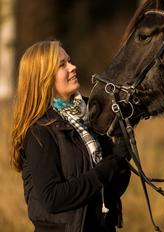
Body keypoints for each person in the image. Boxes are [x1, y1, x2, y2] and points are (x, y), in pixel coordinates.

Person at [10, 40, 131, 232]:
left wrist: (121, 160)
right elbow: (52, 198)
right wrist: (104, 171)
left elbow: (112, 188)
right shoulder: (39, 130)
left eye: (70, 61)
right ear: (43, 78)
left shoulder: (93, 113)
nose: (73, 67)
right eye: (62, 65)